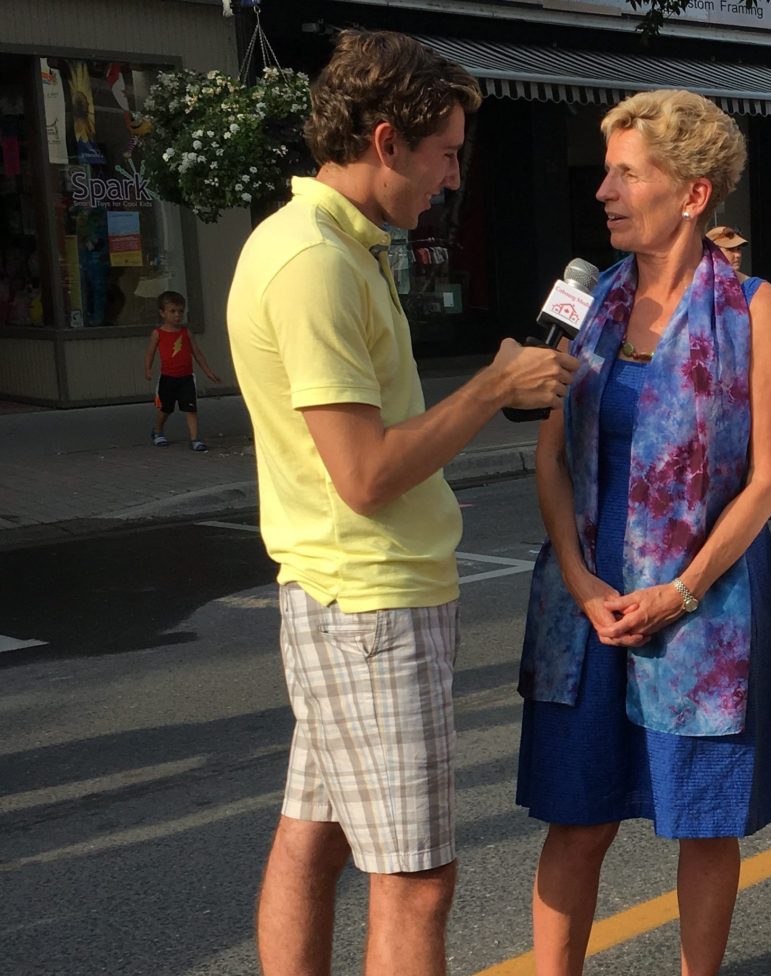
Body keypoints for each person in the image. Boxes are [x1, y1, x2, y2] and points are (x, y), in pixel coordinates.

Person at [226, 31, 575, 976]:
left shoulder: (328, 242)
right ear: (388, 140)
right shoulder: (318, 263)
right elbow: (367, 474)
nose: (454, 178)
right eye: (448, 152)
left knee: (316, 835)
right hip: (372, 598)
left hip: (344, 591)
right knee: (415, 880)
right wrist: (493, 388)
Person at [516, 88, 771, 976]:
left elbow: (767, 479)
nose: (603, 190)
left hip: (704, 606)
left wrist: (680, 589)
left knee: (703, 817)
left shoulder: (755, 309)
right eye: (607, 172)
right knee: (578, 814)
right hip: (590, 600)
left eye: (626, 173)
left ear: (693, 192)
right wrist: (579, 576)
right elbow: (552, 460)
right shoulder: (590, 302)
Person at [143, 290, 222, 451]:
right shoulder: (158, 334)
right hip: (168, 378)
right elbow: (150, 353)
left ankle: (194, 439)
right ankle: (158, 431)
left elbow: (197, 354)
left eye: (180, 311)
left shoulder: (186, 333)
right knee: (166, 408)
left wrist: (208, 371)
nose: (177, 315)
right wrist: (148, 369)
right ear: (162, 313)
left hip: (186, 378)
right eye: (172, 311)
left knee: (191, 408)